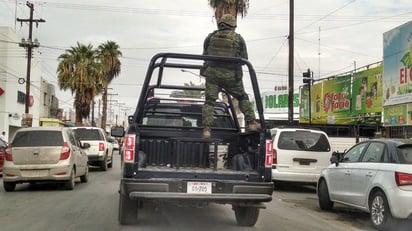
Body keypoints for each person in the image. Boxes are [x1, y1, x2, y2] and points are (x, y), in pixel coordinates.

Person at [200, 14, 261, 139]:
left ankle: (206, 129)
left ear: (220, 24)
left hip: (212, 76)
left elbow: (205, 55)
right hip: (231, 76)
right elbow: (244, 58)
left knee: (210, 102)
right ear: (233, 26)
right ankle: (251, 123)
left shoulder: (210, 37)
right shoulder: (238, 39)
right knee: (242, 97)